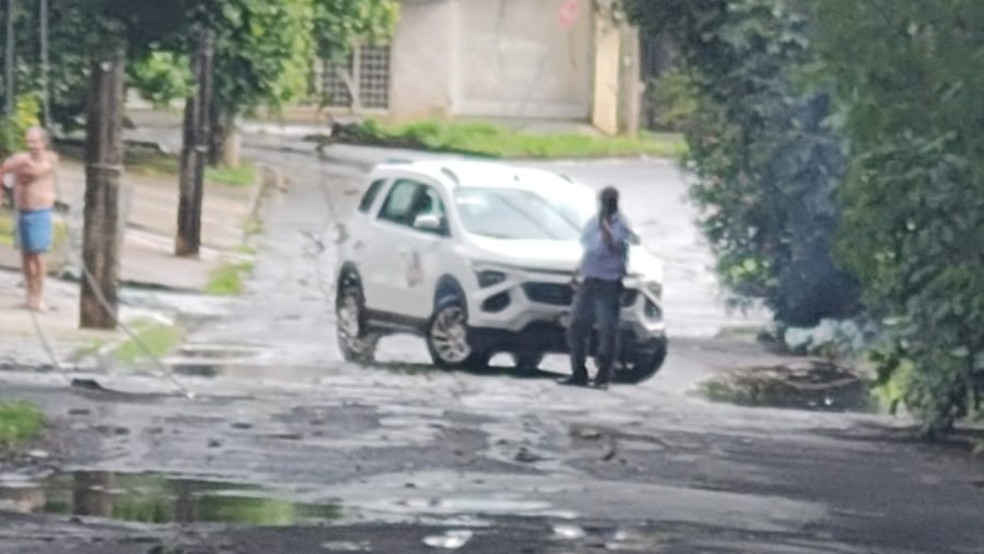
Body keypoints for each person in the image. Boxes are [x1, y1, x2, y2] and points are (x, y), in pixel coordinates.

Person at [560, 186, 631, 390]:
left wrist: (605, 225)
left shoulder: (621, 224)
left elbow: (612, 245)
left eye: (610, 201)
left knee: (607, 330)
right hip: (590, 280)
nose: (606, 205)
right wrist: (577, 273)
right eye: (604, 201)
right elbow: (589, 250)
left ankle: (603, 376)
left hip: (609, 282)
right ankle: (578, 372)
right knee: (576, 327)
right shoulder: (592, 223)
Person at [1, 127, 59, 311]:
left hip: (39, 211)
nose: (30, 145)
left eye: (34, 142)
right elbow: (5, 168)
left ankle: (39, 296)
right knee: (25, 255)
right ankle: (29, 296)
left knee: (38, 255)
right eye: (28, 142)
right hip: (21, 211)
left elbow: (35, 172)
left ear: (43, 142)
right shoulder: (21, 158)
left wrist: (18, 165)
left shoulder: (51, 158)